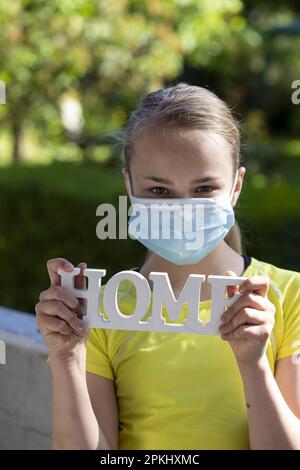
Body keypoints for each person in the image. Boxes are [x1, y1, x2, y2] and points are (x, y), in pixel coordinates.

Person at [35, 83, 300, 450]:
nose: (183, 208)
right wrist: (66, 359)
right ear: (128, 183)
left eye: (205, 188)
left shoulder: (289, 296)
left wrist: (254, 366)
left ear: (236, 187)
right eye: (159, 191)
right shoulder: (99, 310)